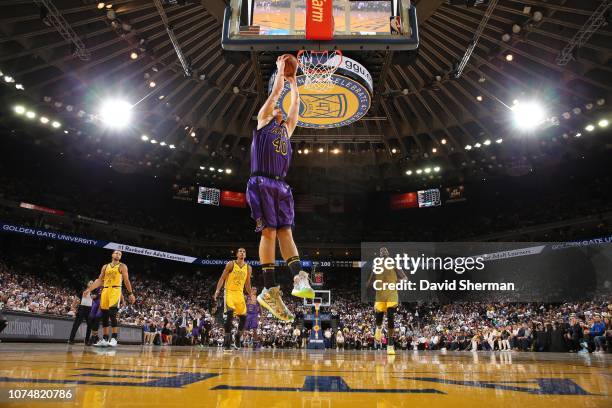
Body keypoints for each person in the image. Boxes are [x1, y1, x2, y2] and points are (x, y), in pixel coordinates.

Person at [247, 55, 314, 323]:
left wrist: (294, 83)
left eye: (281, 110)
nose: (281, 110)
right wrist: (279, 73)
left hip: (282, 186)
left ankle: (299, 276)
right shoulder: (264, 120)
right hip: (261, 181)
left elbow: (295, 105)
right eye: (278, 108)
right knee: (270, 232)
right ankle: (269, 288)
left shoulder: (286, 130)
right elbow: (276, 94)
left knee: (286, 231)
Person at [84, 250, 135, 347]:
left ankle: (114, 338)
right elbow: (99, 281)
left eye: (120, 254)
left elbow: (126, 280)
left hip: (115, 290)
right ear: (112, 255)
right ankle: (105, 338)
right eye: (116, 253)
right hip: (105, 290)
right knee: (104, 316)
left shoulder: (122, 266)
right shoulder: (105, 266)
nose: (118, 255)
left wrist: (130, 293)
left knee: (112, 313)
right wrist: (89, 290)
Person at [367, 247, 407, 355]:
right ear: (379, 255)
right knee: (379, 317)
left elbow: (405, 278)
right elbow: (369, 282)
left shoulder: (394, 264)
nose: (383, 252)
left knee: (390, 317)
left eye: (385, 251)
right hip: (380, 294)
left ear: (388, 254)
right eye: (381, 251)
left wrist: (394, 282)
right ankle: (378, 329)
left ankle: (390, 345)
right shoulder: (376, 266)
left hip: (391, 294)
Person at [214, 248, 252, 351]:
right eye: (240, 251)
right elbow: (222, 278)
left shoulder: (248, 267)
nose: (242, 253)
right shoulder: (231, 264)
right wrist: (217, 290)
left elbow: (247, 284)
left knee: (244, 317)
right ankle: (227, 340)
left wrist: (251, 295)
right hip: (229, 292)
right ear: (236, 254)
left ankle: (237, 338)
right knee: (230, 314)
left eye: (244, 251)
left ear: (245, 255)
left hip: (239, 294)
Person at [68, 280, 94, 345]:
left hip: (89, 309)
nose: (91, 284)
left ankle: (87, 341)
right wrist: (72, 307)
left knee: (90, 325)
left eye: (92, 283)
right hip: (82, 308)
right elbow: (76, 298)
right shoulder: (83, 290)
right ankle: (71, 339)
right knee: (76, 324)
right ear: (88, 284)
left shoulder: (93, 293)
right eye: (90, 283)